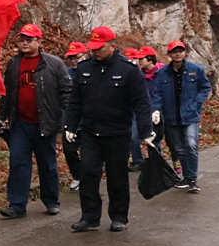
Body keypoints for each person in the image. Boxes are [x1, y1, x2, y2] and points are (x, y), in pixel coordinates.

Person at [63, 26, 153, 232]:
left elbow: (141, 103)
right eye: (92, 47)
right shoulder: (84, 68)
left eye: (100, 47)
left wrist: (146, 131)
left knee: (117, 176)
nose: (95, 51)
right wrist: (70, 125)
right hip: (89, 132)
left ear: (112, 46)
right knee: (88, 172)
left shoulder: (128, 70)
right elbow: (75, 100)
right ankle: (90, 216)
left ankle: (119, 216)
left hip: (117, 133)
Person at [0, 24, 71, 218]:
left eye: (29, 39)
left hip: (45, 123)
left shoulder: (54, 64)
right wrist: (1, 117)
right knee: (18, 162)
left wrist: (65, 118)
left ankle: (51, 201)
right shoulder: (14, 64)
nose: (25, 43)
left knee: (47, 164)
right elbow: (7, 93)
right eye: (22, 39)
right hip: (20, 123)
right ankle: (17, 205)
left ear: (39, 42)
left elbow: (66, 91)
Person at [151, 40, 211, 193]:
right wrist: (156, 110)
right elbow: (157, 93)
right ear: (169, 54)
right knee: (178, 148)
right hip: (171, 116)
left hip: (190, 115)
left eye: (180, 50)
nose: (177, 53)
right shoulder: (161, 73)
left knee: (191, 145)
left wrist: (196, 103)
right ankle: (186, 176)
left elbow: (205, 88)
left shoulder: (195, 70)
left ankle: (192, 179)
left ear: (185, 52)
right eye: (174, 51)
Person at [61, 41, 89, 191]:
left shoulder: (93, 71)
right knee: (69, 150)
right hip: (71, 119)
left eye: (76, 57)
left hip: (89, 120)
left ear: (85, 55)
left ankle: (88, 177)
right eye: (71, 58)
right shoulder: (66, 74)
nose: (73, 61)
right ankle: (77, 175)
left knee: (88, 152)